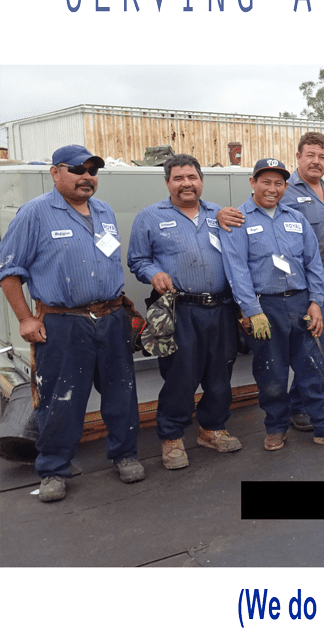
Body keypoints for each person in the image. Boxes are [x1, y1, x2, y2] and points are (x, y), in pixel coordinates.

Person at [0, 145, 143, 501]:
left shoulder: (105, 211)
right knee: (60, 400)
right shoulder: (34, 214)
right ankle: (52, 469)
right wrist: (25, 320)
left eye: (92, 170)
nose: (86, 177)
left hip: (111, 318)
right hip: (64, 323)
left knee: (120, 394)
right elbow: (8, 273)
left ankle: (124, 455)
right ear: (55, 172)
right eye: (77, 169)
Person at [220, 157, 324, 451]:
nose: (272, 189)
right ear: (253, 183)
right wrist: (252, 310)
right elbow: (237, 270)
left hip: (301, 304)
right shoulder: (238, 220)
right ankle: (275, 428)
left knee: (311, 368)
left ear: (285, 186)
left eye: (279, 183)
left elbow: (313, 263)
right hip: (265, 308)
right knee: (272, 373)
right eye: (266, 182)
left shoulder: (295, 218)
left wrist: (315, 303)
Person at [128, 153, 242, 470]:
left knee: (221, 374)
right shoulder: (149, 217)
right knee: (180, 375)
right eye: (178, 178)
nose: (186, 183)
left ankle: (212, 429)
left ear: (201, 181)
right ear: (168, 183)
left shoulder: (219, 214)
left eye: (191, 177)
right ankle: (172, 438)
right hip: (178, 309)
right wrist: (153, 274)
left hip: (221, 308)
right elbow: (136, 259)